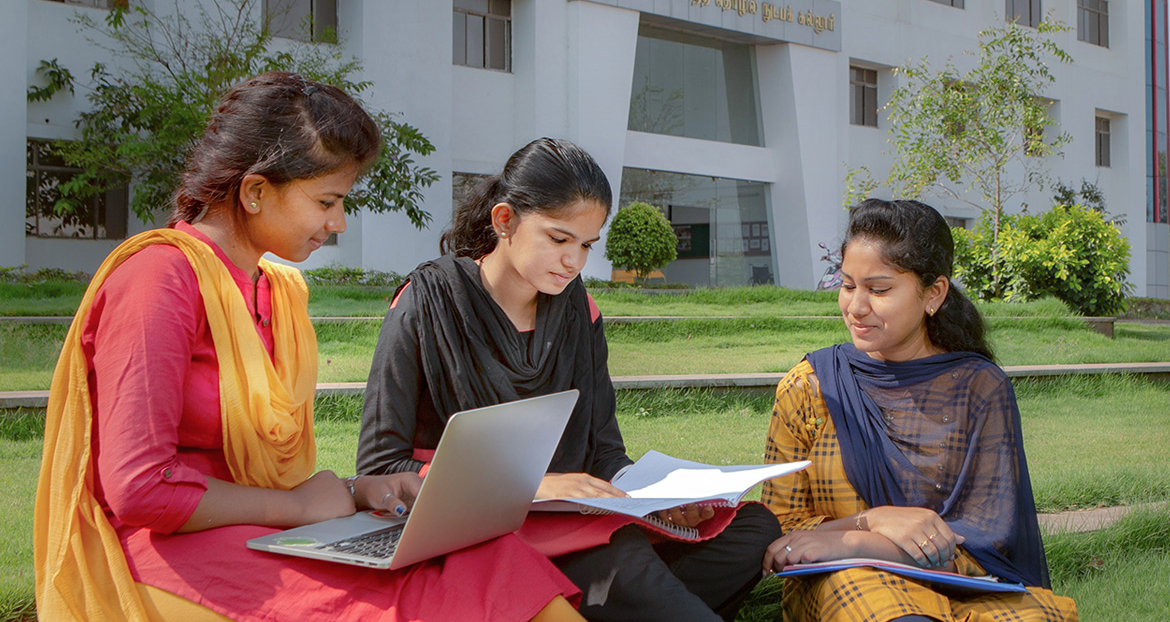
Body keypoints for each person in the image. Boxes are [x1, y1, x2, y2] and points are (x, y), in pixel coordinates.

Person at [34, 72, 584, 622]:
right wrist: (297, 506)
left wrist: (356, 489)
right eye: (327, 200)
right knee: (410, 601)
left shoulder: (275, 291)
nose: (338, 221)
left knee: (490, 561)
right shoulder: (159, 280)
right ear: (255, 191)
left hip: (259, 529)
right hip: (166, 549)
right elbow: (140, 489)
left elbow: (255, 473)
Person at [357, 137, 781, 622]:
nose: (574, 262)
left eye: (586, 245)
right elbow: (379, 466)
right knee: (629, 564)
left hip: (581, 521)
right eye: (559, 240)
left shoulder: (579, 310)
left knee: (753, 526)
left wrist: (659, 502)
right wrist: (536, 488)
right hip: (484, 535)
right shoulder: (426, 302)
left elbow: (604, 450)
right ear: (505, 222)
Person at [760, 199, 1078, 622]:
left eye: (878, 289)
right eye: (848, 284)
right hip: (849, 579)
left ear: (934, 293)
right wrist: (869, 525)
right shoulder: (811, 387)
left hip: (967, 587)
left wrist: (866, 541)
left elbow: (989, 541)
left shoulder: (980, 389)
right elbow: (781, 533)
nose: (855, 307)